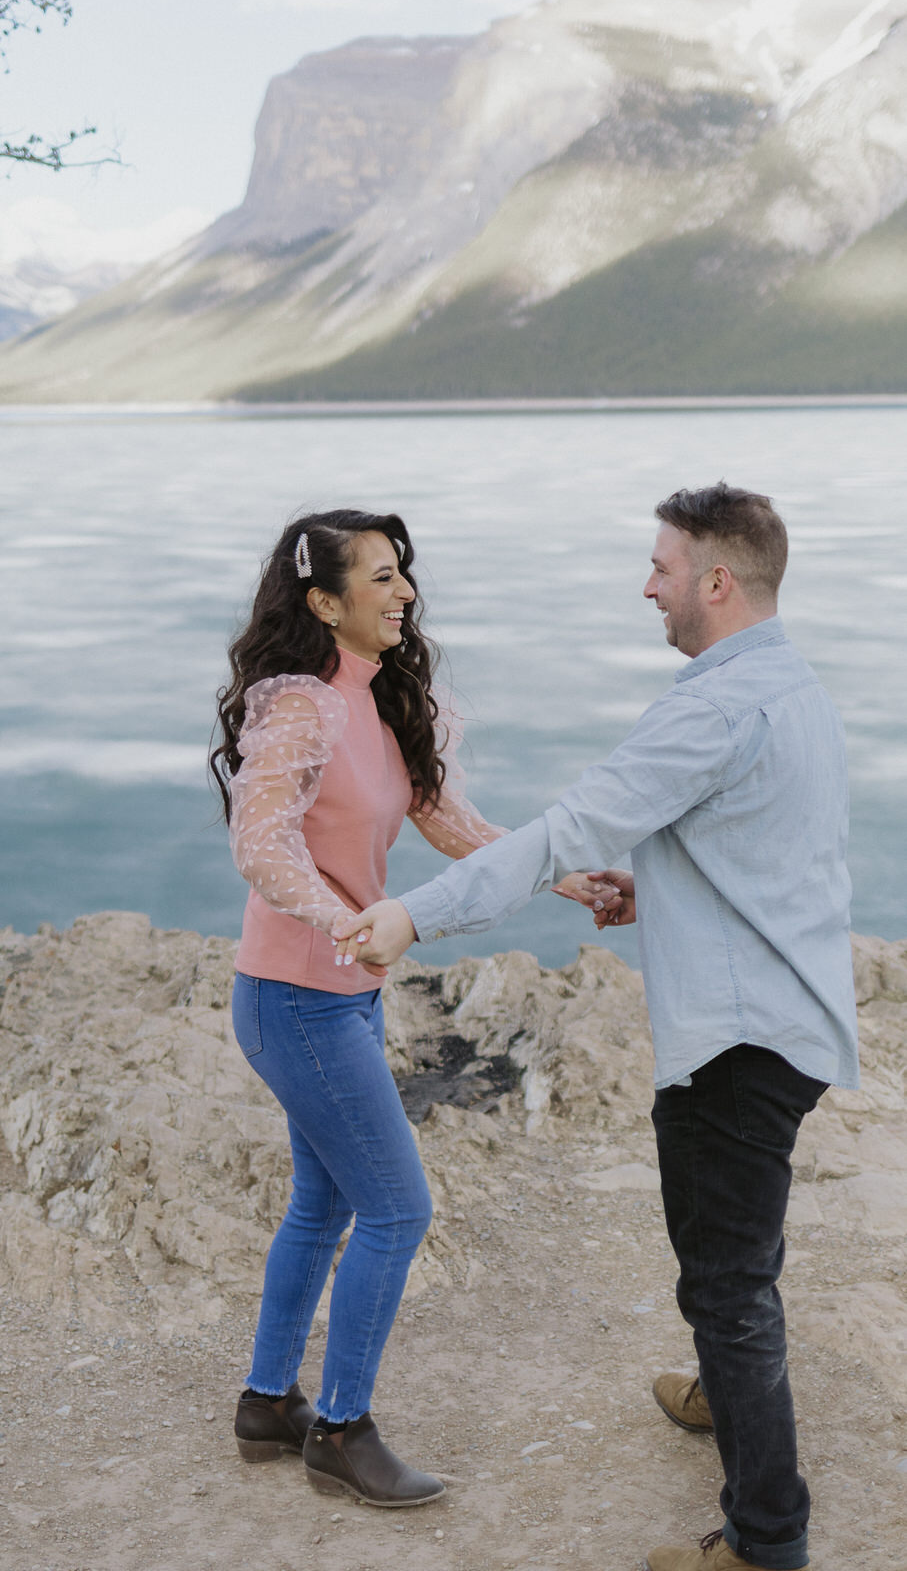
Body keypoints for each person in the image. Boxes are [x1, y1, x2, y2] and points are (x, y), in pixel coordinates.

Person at [336, 484, 859, 1569]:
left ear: (716, 581)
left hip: (737, 1039)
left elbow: (563, 829)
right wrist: (655, 887)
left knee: (724, 1280)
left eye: (662, 566)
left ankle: (766, 1540)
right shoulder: (789, 684)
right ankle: (724, 1391)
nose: (647, 584)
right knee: (737, 1252)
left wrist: (410, 913)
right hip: (790, 1011)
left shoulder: (708, 706)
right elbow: (765, 847)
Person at [210, 507, 613, 1508]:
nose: (403, 593)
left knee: (326, 1202)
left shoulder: (380, 697)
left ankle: (267, 1403)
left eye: (403, 575)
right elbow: (261, 845)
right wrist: (343, 918)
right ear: (322, 601)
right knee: (397, 1207)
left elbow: (444, 819)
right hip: (292, 996)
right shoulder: (299, 706)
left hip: (338, 995)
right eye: (379, 578)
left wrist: (561, 876)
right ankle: (340, 1429)